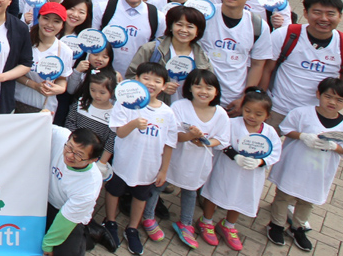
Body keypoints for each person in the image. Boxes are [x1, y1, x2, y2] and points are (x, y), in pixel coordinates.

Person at [256, 0, 343, 127]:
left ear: (340, 17)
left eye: (330, 14)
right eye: (317, 12)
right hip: (277, 110)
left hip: (316, 116)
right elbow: (266, 69)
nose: (324, 19)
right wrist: (260, 101)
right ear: (305, 13)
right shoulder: (285, 35)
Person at [265, 78, 343, 252]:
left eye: (339, 100)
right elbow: (286, 129)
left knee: (307, 200)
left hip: (319, 171)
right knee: (283, 195)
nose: (332, 102)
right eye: (328, 96)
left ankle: (297, 228)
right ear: (318, 95)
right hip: (294, 164)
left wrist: (334, 146)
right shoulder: (302, 113)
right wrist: (302, 136)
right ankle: (276, 225)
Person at [103, 62, 176, 256]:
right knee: (113, 191)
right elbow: (119, 133)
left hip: (149, 167)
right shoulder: (124, 104)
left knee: (141, 196)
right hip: (123, 163)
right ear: (136, 80)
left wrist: (164, 170)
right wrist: (134, 123)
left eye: (157, 81)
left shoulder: (167, 113)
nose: (151, 83)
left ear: (164, 86)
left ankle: (132, 228)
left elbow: (170, 143)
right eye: (146, 78)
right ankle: (110, 221)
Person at [198, 89, 281, 251]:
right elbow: (221, 140)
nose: (252, 116)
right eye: (248, 111)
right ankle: (206, 221)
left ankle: (228, 225)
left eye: (258, 114)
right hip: (227, 169)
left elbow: (275, 153)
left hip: (250, 175)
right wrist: (235, 155)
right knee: (216, 192)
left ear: (267, 116)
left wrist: (261, 162)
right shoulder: (232, 124)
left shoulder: (270, 133)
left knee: (240, 197)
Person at [159, 68, 229, 249]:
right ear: (189, 88)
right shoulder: (180, 107)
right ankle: (148, 215)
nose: (203, 91)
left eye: (209, 87)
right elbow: (173, 135)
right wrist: (190, 136)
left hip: (198, 162)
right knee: (158, 184)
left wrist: (205, 142)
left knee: (190, 190)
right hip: (174, 157)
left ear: (216, 91)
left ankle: (185, 223)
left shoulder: (220, 113)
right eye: (198, 86)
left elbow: (222, 140)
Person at [45, 126, 105, 256]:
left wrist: (48, 244)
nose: (69, 155)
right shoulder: (61, 136)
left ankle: (87, 236)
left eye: (79, 155)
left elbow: (65, 220)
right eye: (69, 147)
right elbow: (38, 125)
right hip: (44, 201)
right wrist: (43, 115)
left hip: (68, 217)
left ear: (93, 160)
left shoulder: (90, 184)